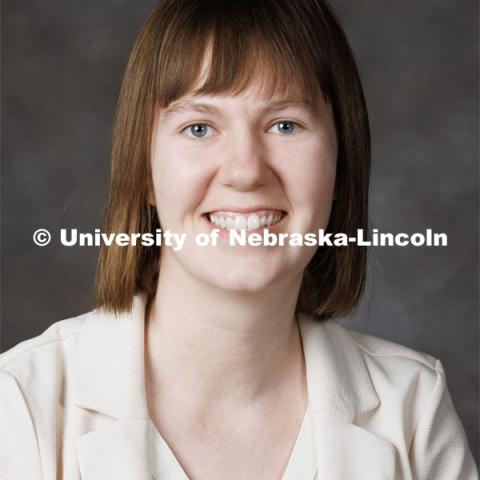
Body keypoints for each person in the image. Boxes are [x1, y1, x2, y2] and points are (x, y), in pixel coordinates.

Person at [0, 1, 477, 479]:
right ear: (144, 170)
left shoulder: (412, 409)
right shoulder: (21, 406)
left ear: (340, 167)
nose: (246, 170)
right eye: (200, 127)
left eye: (285, 125)